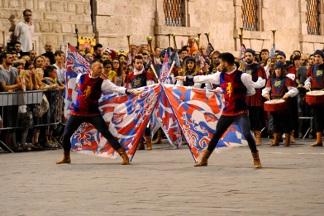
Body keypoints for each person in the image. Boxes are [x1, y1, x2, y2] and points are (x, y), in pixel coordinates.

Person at [176, 53, 261, 168]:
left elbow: (252, 91)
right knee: (216, 135)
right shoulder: (220, 76)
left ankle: (256, 159)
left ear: (226, 63)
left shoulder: (243, 76)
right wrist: (185, 78)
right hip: (227, 112)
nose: (219, 65)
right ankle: (204, 159)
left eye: (220, 63)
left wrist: (238, 95)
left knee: (246, 133)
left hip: (240, 112)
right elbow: (204, 78)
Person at [56, 60, 143, 165]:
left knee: (106, 133)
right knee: (66, 135)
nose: (101, 70)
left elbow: (116, 88)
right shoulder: (81, 77)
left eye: (102, 68)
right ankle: (66, 157)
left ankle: (124, 155)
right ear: (92, 68)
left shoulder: (103, 82)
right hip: (77, 112)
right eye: (99, 68)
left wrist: (131, 91)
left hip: (92, 113)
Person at [262, 62, 298, 146]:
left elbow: (294, 90)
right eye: (276, 69)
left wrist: (288, 94)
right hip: (274, 102)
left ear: (282, 70)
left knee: (286, 121)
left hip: (284, 103)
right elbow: (266, 89)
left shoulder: (287, 79)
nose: (277, 71)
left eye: (279, 69)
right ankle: (276, 140)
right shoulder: (271, 79)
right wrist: (266, 94)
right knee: (275, 121)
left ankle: (287, 140)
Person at [126, 55, 155, 150]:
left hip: (145, 102)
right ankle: (140, 143)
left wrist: (144, 97)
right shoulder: (130, 76)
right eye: (137, 63)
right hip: (135, 102)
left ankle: (148, 143)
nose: (139, 65)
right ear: (133, 64)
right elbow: (129, 89)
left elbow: (150, 89)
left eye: (141, 63)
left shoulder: (148, 74)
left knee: (146, 122)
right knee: (137, 123)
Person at [243, 49, 267, 145]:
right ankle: (249, 136)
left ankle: (258, 136)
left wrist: (250, 84)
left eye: (249, 55)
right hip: (244, 95)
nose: (247, 57)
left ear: (253, 56)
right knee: (245, 117)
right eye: (246, 56)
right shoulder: (242, 67)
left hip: (254, 94)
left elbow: (261, 83)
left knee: (255, 116)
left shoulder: (258, 68)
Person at [305, 50, 324, 147]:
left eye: (318, 56)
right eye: (315, 56)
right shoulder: (312, 68)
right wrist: (307, 84)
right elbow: (308, 78)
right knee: (317, 117)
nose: (316, 58)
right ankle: (319, 139)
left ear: (322, 58)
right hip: (315, 94)